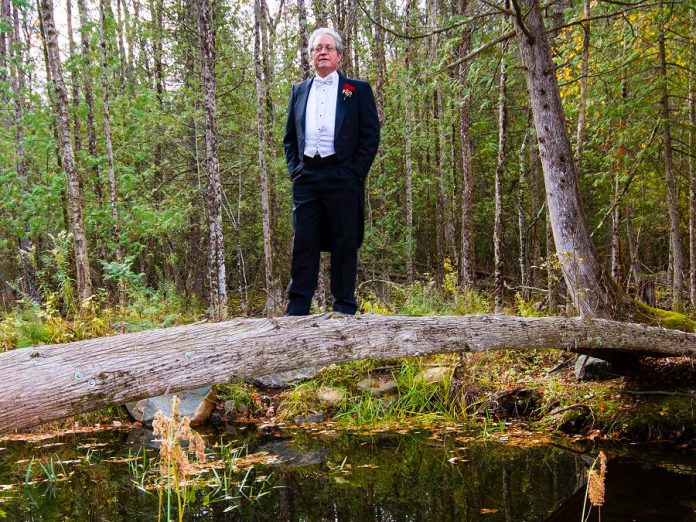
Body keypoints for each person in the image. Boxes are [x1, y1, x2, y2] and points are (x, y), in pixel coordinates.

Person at [283, 28, 380, 316]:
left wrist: (354, 172)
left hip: (342, 175)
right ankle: (298, 306)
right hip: (307, 177)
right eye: (316, 48)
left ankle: (344, 307)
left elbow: (370, 135)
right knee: (304, 241)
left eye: (328, 47)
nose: (322, 52)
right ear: (311, 56)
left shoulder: (357, 90)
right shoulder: (299, 91)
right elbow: (289, 138)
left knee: (344, 240)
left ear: (338, 55)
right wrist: (296, 171)